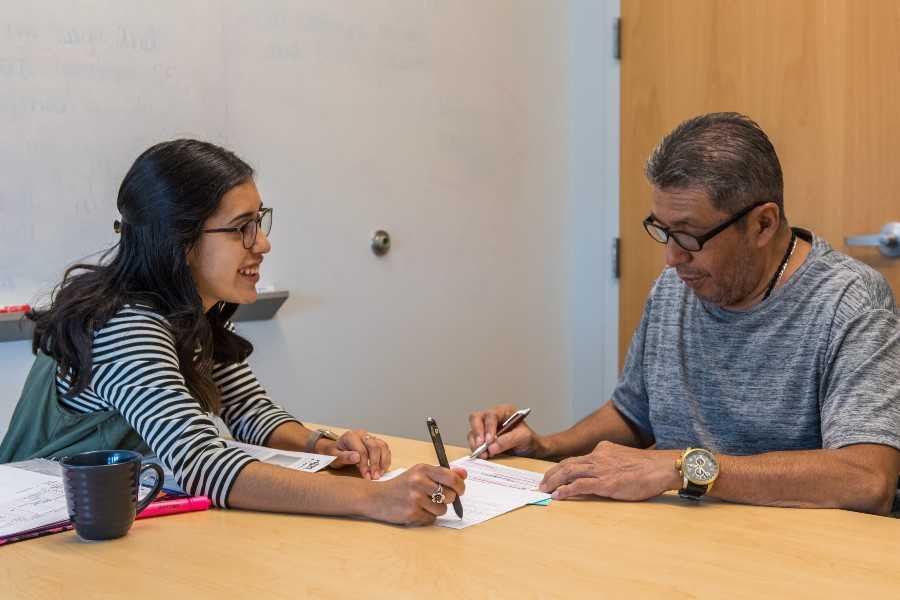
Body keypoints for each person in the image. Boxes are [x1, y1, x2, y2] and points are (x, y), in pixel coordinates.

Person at [0, 139, 465, 525]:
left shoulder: (185, 310)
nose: (262, 244)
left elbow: (247, 411)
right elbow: (202, 464)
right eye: (242, 228)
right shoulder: (126, 325)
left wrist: (324, 446)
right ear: (179, 242)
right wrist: (374, 500)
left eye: (259, 222)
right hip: (38, 538)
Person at [468, 112, 900, 516]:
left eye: (691, 235)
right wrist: (545, 446)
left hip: (793, 551)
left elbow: (867, 478)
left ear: (763, 224)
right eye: (663, 230)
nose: (672, 258)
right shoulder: (679, 284)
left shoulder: (850, 301)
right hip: (676, 537)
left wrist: (680, 467)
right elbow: (632, 416)